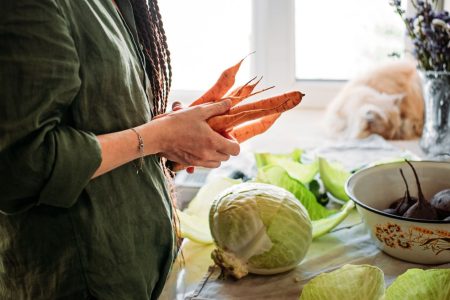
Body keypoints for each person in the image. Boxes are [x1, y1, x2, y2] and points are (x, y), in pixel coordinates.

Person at [0, 0, 240, 299]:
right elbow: (21, 166)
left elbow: (102, 120)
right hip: (78, 279)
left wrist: (174, 139)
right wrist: (160, 136)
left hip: (135, 266)